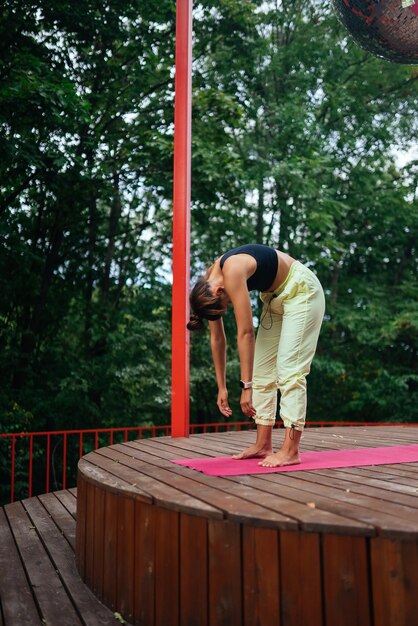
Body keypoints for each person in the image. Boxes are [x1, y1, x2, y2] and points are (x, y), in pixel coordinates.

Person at [187, 243, 325, 467]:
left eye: (226, 305)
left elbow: (245, 333)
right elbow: (217, 339)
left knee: (289, 370)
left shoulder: (231, 271)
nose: (229, 305)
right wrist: (221, 386)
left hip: (301, 291)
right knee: (262, 372)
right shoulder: (209, 284)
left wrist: (245, 386)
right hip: (274, 299)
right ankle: (263, 445)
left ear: (220, 292)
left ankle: (291, 451)